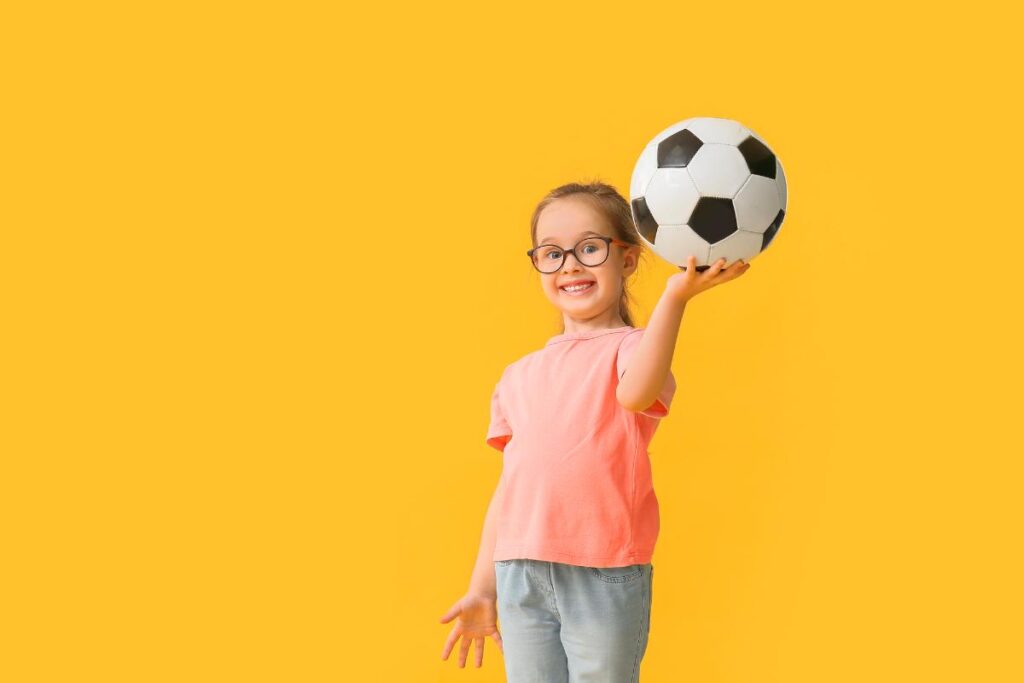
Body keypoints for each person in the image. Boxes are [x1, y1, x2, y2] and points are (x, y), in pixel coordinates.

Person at [439, 181, 751, 680]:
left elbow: (635, 394)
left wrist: (675, 299)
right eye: (551, 254)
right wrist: (482, 587)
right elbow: (510, 489)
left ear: (627, 260)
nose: (569, 266)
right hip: (519, 573)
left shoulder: (634, 350)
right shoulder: (518, 375)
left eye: (589, 248)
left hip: (602, 570)